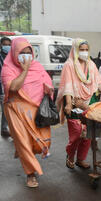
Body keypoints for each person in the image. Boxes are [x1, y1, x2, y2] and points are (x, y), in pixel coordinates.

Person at [1, 37, 54, 188]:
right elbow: (13, 88)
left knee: (42, 142)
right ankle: (30, 174)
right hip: (16, 110)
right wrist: (24, 70)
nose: (26, 56)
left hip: (37, 110)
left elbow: (47, 82)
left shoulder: (37, 66)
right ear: (15, 53)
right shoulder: (8, 68)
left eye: (28, 52)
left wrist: (48, 89)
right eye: (22, 53)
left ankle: (22, 150)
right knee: (24, 142)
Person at [56, 38, 101, 170]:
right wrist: (69, 104)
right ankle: (70, 155)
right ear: (75, 50)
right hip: (74, 101)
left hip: (91, 101)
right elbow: (68, 86)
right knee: (76, 133)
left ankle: (80, 159)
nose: (84, 52)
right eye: (81, 50)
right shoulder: (69, 65)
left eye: (86, 50)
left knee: (88, 134)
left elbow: (98, 83)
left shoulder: (91, 64)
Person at [0, 37, 11, 137]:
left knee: (6, 110)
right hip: (2, 88)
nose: (7, 47)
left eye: (9, 45)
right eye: (5, 45)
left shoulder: (11, 57)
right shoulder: (1, 57)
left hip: (7, 88)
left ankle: (4, 129)